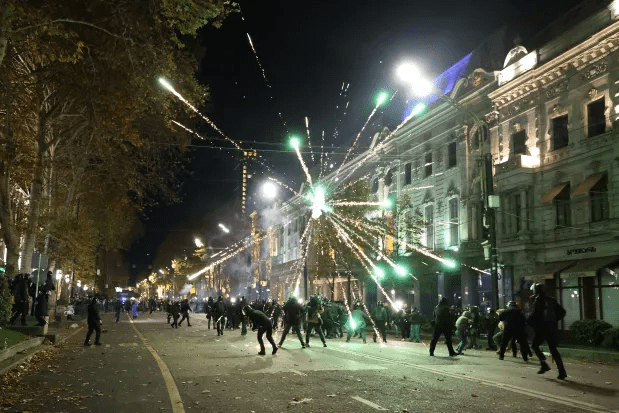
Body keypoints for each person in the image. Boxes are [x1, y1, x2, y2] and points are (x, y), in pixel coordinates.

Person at [528, 283, 567, 380]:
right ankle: (562, 371)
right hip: (552, 327)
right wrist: (553, 321)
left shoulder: (537, 300)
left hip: (542, 327)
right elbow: (562, 312)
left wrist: (530, 321)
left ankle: (543, 363)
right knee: (553, 349)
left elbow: (534, 315)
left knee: (534, 345)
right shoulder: (551, 300)